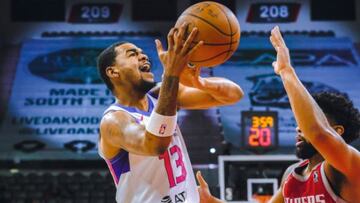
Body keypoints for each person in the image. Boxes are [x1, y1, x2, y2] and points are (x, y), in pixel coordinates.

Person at [196, 26, 360, 203]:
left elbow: (317, 132)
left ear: (338, 131)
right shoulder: (292, 174)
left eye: (304, 123)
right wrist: (212, 201)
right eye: (299, 122)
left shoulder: (349, 165)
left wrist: (286, 71)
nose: (299, 127)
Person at [96, 22, 244, 203]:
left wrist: (199, 82)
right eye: (132, 54)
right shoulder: (114, 120)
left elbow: (234, 94)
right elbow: (154, 144)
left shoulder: (161, 95)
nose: (143, 56)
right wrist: (171, 74)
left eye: (142, 53)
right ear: (113, 72)